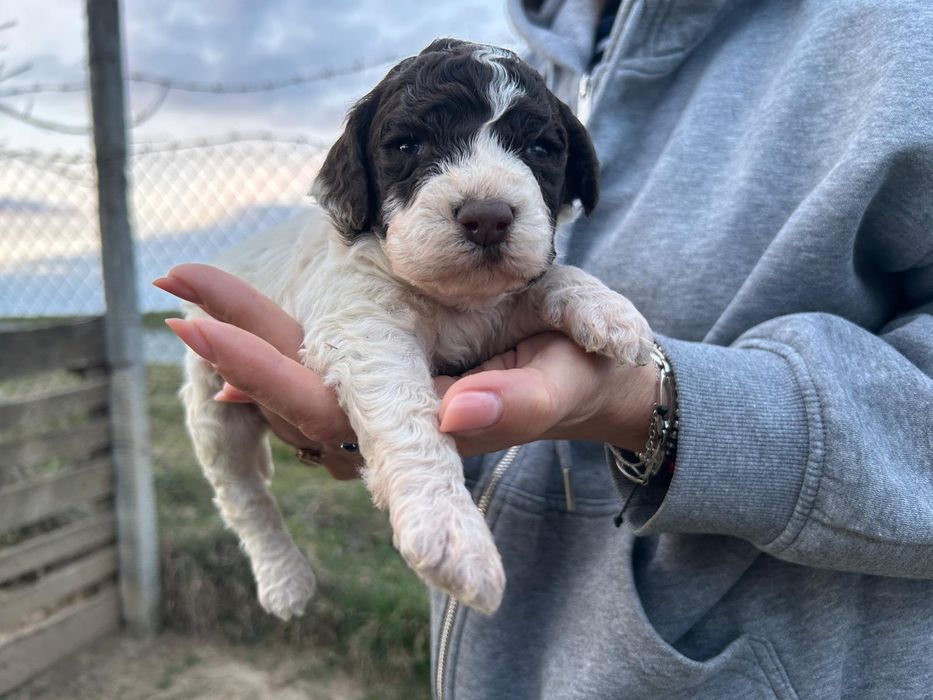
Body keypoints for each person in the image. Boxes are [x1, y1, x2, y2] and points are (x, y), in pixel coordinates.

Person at [158, 0, 933, 697]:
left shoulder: (893, 30)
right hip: (490, 653)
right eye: (408, 145)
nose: (486, 201)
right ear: (354, 182)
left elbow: (535, 287)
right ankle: (258, 528)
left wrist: (648, 395)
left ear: (570, 183)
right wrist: (422, 482)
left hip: (771, 653)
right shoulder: (557, 45)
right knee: (221, 432)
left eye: (535, 150)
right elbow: (367, 344)